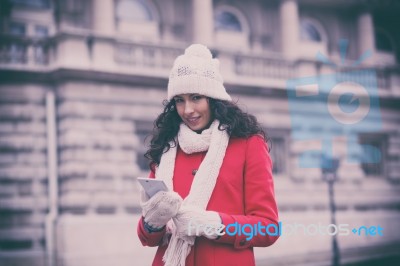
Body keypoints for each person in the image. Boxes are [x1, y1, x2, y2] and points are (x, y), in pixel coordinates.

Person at [137, 44, 279, 266]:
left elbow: (268, 227)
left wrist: (212, 224)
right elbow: (147, 238)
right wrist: (152, 222)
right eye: (179, 100)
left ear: (213, 98)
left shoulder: (249, 144)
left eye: (195, 97)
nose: (187, 110)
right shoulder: (165, 148)